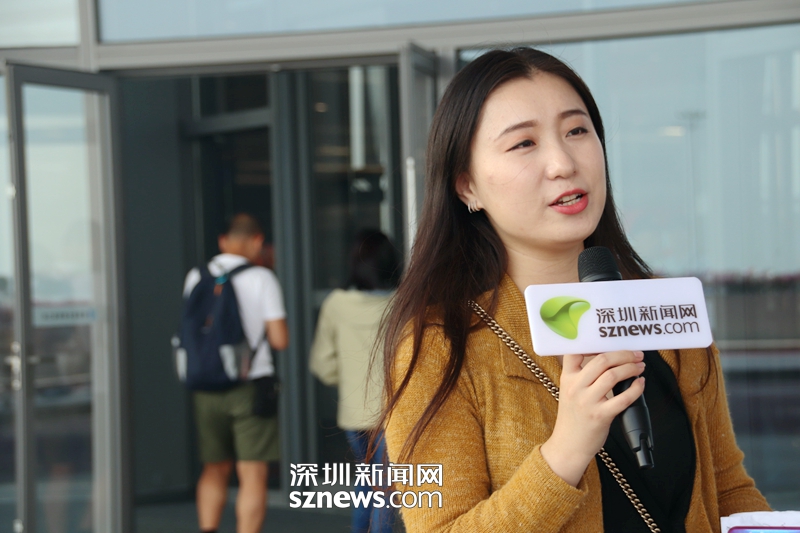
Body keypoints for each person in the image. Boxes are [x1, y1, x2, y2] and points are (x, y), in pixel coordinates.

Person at [379, 48, 770, 532]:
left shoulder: (664, 310)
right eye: (524, 143)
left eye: (577, 131)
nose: (563, 162)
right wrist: (565, 452)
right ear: (467, 187)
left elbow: (728, 490)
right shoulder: (439, 344)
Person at [183, 213, 289, 533]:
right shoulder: (262, 278)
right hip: (250, 385)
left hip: (205, 384)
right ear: (257, 240)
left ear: (222, 241)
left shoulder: (196, 275)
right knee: (252, 472)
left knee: (214, 468)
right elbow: (279, 340)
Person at [310, 229, 400, 533]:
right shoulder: (404, 303)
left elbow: (322, 363)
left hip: (354, 414)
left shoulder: (336, 304)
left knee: (367, 480)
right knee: (385, 487)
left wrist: (349, 381)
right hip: (392, 411)